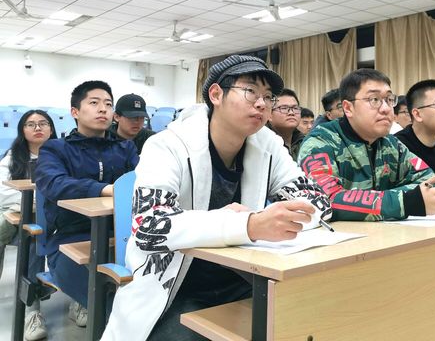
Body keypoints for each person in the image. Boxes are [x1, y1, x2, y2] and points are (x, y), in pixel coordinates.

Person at [102, 55, 331, 341]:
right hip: (176, 288)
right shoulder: (167, 145)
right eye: (250, 91)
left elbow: (318, 201)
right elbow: (150, 226)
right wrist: (248, 225)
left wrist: (282, 218)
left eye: (268, 97)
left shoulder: (268, 145)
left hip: (247, 279)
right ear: (216, 94)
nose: (261, 103)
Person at [34, 81, 139, 328]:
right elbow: (54, 184)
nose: (103, 109)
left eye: (108, 104)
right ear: (75, 112)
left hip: (122, 238)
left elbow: (144, 182)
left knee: (146, 297)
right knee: (111, 307)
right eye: (94, 103)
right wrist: (105, 189)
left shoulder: (125, 148)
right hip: (68, 241)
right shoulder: (55, 149)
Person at [298, 68, 435, 221]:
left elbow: (430, 183)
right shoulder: (320, 142)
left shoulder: (391, 144)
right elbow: (325, 200)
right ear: (348, 108)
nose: (386, 109)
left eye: (389, 100)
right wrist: (405, 201)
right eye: (374, 100)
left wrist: (392, 201)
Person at [0, 110, 57, 340]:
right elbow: (2, 192)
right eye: (31, 124)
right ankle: (33, 307)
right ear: (22, 130)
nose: (37, 128)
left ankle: (34, 312)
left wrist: (32, 202)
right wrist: (35, 201)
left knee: (33, 237)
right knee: (24, 232)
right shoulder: (13, 156)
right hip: (17, 216)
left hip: (52, 219)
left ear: (51, 128)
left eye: (43, 123)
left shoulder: (62, 154)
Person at [269, 88, 306, 160]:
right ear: (269, 114)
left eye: (295, 108)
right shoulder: (262, 143)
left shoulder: (305, 142)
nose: (291, 113)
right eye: (284, 108)